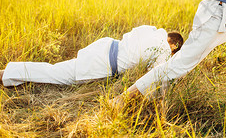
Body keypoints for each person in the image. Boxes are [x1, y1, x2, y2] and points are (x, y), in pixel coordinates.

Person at [0, 25, 183, 87]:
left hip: (106, 45)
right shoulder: (164, 50)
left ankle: (11, 76)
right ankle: (6, 74)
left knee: (61, 69)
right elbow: (152, 76)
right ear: (174, 45)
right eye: (174, 52)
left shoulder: (151, 29)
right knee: (56, 73)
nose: (171, 54)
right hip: (104, 62)